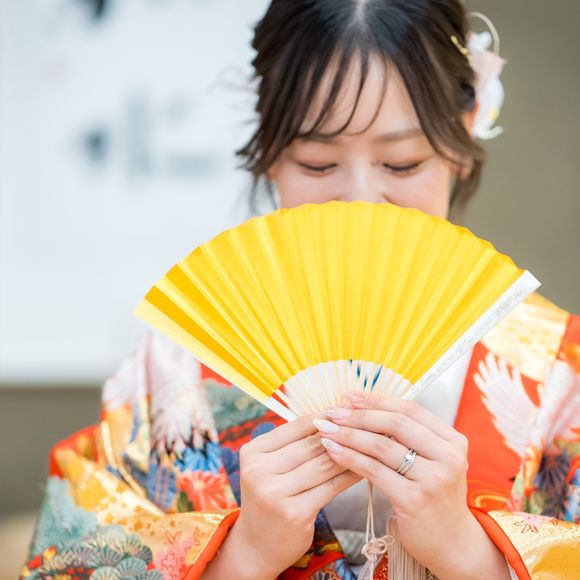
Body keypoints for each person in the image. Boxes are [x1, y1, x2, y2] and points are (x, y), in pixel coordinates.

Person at [22, 1, 580, 579]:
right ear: (270, 154)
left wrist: (470, 554)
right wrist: (244, 555)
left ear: (461, 140)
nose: (360, 200)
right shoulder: (174, 372)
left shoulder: (560, 373)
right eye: (317, 163)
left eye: (402, 162)